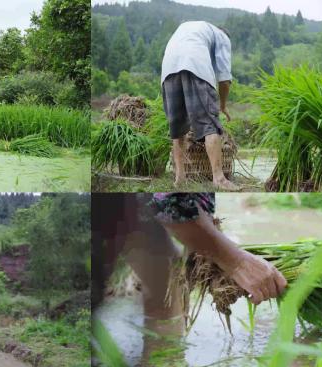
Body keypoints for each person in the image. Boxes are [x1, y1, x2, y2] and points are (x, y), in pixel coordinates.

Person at [92, 193, 287, 317]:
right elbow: (173, 205)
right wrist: (236, 262)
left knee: (166, 279)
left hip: (129, 209)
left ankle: (164, 360)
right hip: (103, 209)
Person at [161, 22, 239, 190]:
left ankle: (179, 178)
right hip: (195, 64)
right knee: (209, 124)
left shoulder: (193, 29)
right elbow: (224, 79)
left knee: (177, 128)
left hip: (168, 67)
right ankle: (219, 179)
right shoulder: (222, 36)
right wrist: (223, 105)